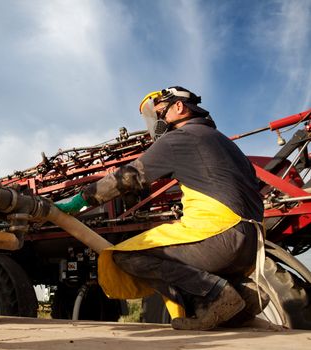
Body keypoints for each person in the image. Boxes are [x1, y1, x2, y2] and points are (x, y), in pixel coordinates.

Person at [55, 86, 265, 330]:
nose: (158, 122)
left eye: (161, 113)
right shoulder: (226, 144)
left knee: (124, 255)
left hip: (221, 237)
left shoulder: (180, 138)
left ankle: (216, 294)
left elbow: (129, 176)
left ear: (179, 107)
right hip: (252, 246)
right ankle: (244, 296)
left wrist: (79, 201)